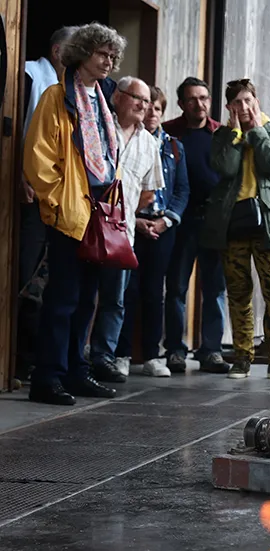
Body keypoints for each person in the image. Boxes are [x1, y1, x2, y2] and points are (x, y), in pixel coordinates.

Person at [23, 23, 127, 405]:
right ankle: (47, 377)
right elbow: (38, 157)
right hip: (71, 208)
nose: (109, 61)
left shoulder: (103, 97)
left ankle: (75, 371)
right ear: (82, 54)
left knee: (88, 298)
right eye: (103, 54)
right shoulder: (55, 96)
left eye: (113, 56)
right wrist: (56, 202)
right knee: (63, 297)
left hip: (100, 207)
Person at [205, 79, 270, 381]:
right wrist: (236, 133)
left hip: (268, 223)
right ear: (229, 107)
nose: (244, 107)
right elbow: (226, 168)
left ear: (256, 101)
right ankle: (243, 357)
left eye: (248, 100)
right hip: (232, 222)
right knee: (238, 291)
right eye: (237, 103)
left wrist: (256, 131)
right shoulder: (223, 135)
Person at [89, 76, 165, 384]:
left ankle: (102, 357)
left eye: (147, 102)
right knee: (81, 297)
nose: (143, 106)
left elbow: (148, 192)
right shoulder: (98, 127)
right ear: (118, 97)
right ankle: (73, 357)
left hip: (122, 235)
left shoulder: (149, 141)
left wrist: (121, 215)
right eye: (137, 98)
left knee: (114, 300)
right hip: (86, 226)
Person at [115, 85, 189, 377]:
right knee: (126, 290)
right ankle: (120, 353)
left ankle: (151, 355)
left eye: (157, 108)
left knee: (154, 292)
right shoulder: (129, 139)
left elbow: (182, 190)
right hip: (131, 224)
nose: (151, 113)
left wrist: (166, 220)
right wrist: (136, 220)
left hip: (161, 228)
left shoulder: (173, 146)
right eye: (147, 107)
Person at [17, 25, 77, 382]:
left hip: (64, 199)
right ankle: (21, 358)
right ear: (57, 51)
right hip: (31, 193)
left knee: (53, 280)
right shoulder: (29, 74)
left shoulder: (77, 91)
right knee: (27, 276)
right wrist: (23, 175)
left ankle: (45, 358)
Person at [162, 77, 231, 375]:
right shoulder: (168, 133)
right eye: (192, 99)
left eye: (203, 98)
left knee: (215, 288)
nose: (199, 104)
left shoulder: (221, 133)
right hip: (180, 221)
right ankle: (175, 350)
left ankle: (211, 351)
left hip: (214, 221)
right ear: (181, 104)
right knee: (176, 287)